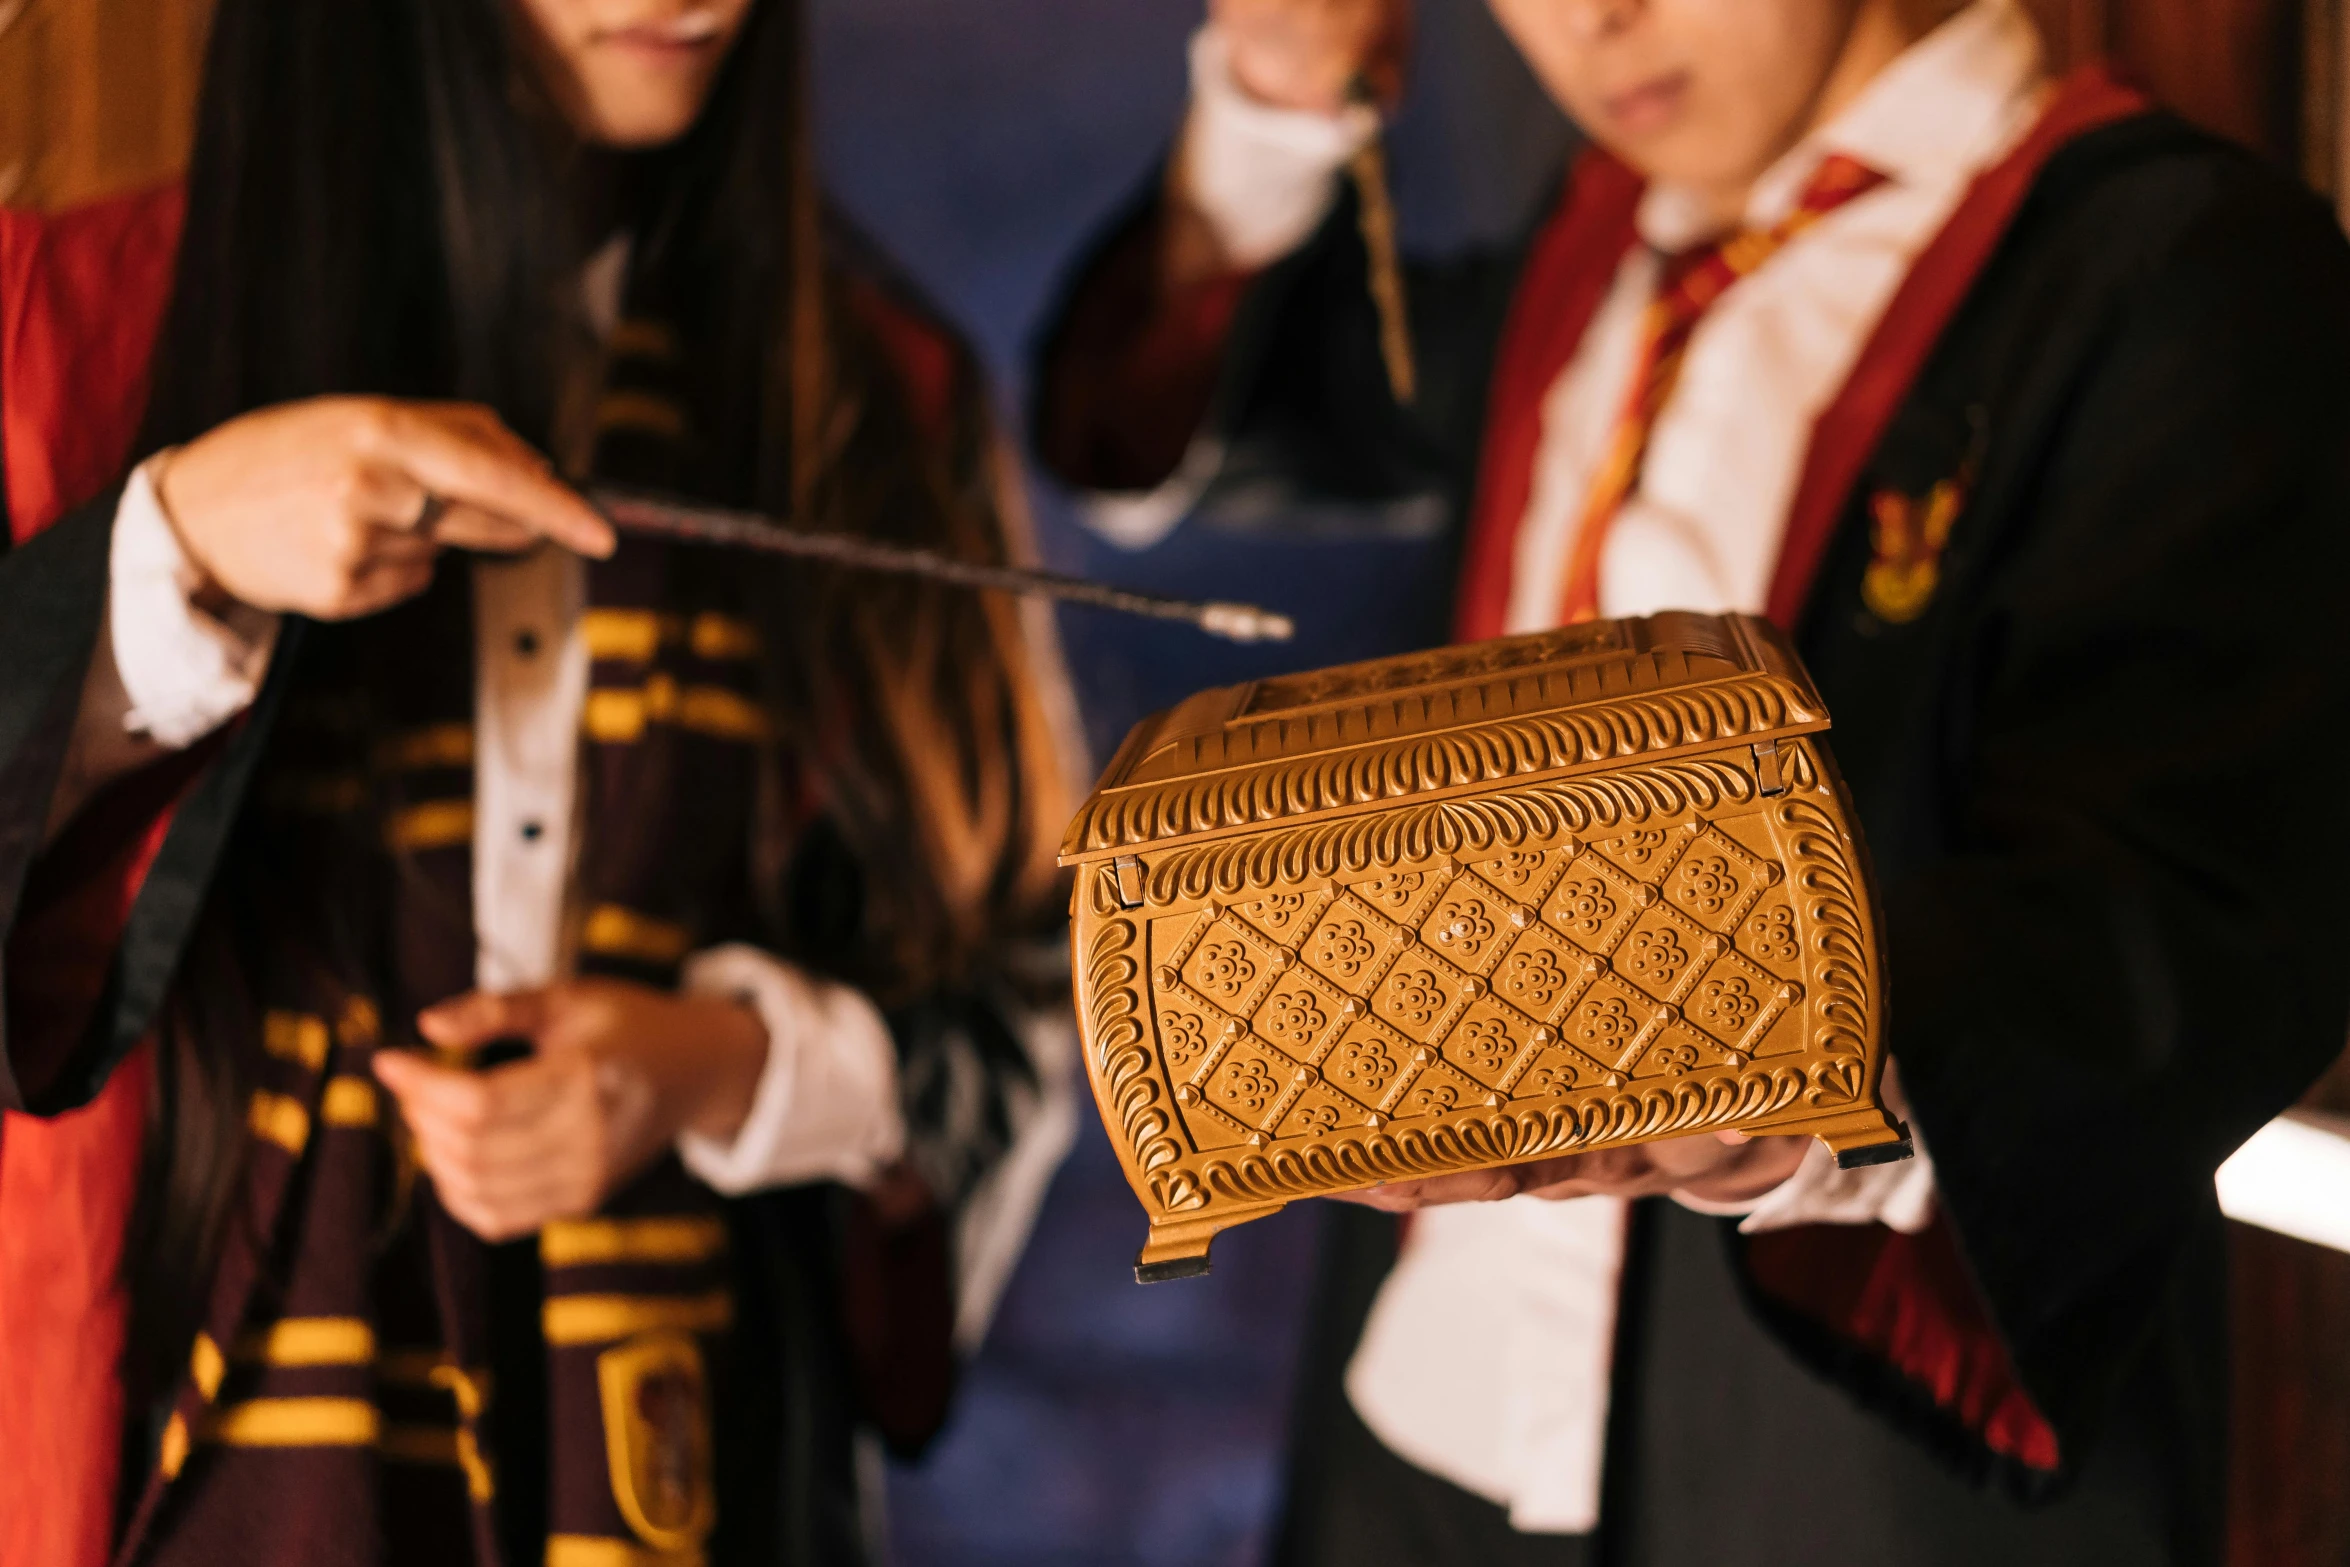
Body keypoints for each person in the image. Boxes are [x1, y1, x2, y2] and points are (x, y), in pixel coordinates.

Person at [1033, 0, 2350, 1562]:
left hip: (1848, 1459)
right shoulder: (1598, 246)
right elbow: (1173, 426)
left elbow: (2199, 906)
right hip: (1423, 1420)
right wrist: (1275, 80)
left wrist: (1798, 1065)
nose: (1595, 24)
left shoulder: (2174, 257)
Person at [0, 0, 1080, 1562]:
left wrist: (719, 1065)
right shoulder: (82, 327)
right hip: (199, 1457)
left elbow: (1019, 998)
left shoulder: (873, 398)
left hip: (685, 1465)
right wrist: (175, 558)